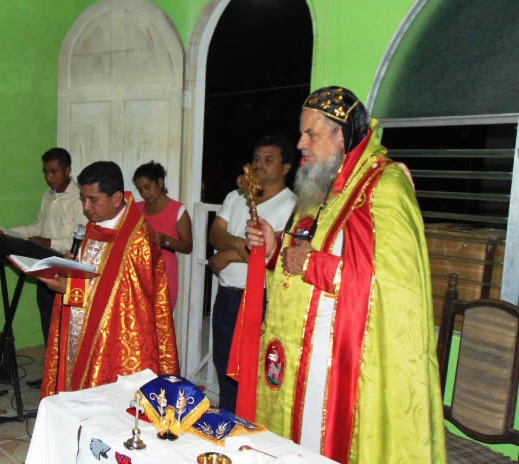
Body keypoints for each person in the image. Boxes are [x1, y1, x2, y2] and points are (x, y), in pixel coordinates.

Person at [245, 86, 445, 463]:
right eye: (301, 133)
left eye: (311, 134)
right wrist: (274, 248)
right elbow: (303, 252)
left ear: (341, 135)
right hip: (298, 358)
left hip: (340, 364)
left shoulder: (384, 186)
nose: (300, 144)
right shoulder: (320, 184)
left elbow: (393, 286)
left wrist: (314, 265)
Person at [37, 161, 179, 395]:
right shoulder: (96, 225)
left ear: (116, 198)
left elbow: (127, 306)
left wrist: (71, 288)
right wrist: (71, 265)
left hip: (113, 343)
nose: (86, 207)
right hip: (80, 327)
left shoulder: (137, 240)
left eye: (93, 200)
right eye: (83, 199)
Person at [208, 135, 297, 412]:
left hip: (260, 299)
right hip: (227, 295)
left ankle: (247, 425)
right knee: (224, 365)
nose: (259, 165)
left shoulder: (291, 205)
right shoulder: (236, 197)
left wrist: (228, 255)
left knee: (252, 371)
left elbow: (272, 253)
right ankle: (226, 421)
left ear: (286, 168)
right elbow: (215, 234)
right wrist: (240, 245)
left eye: (269, 160)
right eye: (256, 159)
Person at [8, 147, 87, 345]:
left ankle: (63, 362)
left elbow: (83, 238)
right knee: (46, 317)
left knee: (63, 324)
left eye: (54, 172)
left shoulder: (80, 198)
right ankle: (50, 362)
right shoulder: (48, 195)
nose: (49, 177)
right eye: (45, 172)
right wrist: (10, 233)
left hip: (66, 268)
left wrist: (49, 242)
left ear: (68, 170)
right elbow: (38, 226)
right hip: (44, 264)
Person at [133, 161, 192, 306]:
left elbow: (187, 247)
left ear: (160, 182)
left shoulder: (177, 210)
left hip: (164, 272)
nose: (144, 193)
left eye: (147, 187)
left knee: (162, 316)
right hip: (139, 273)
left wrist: (166, 240)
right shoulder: (136, 209)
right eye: (140, 190)